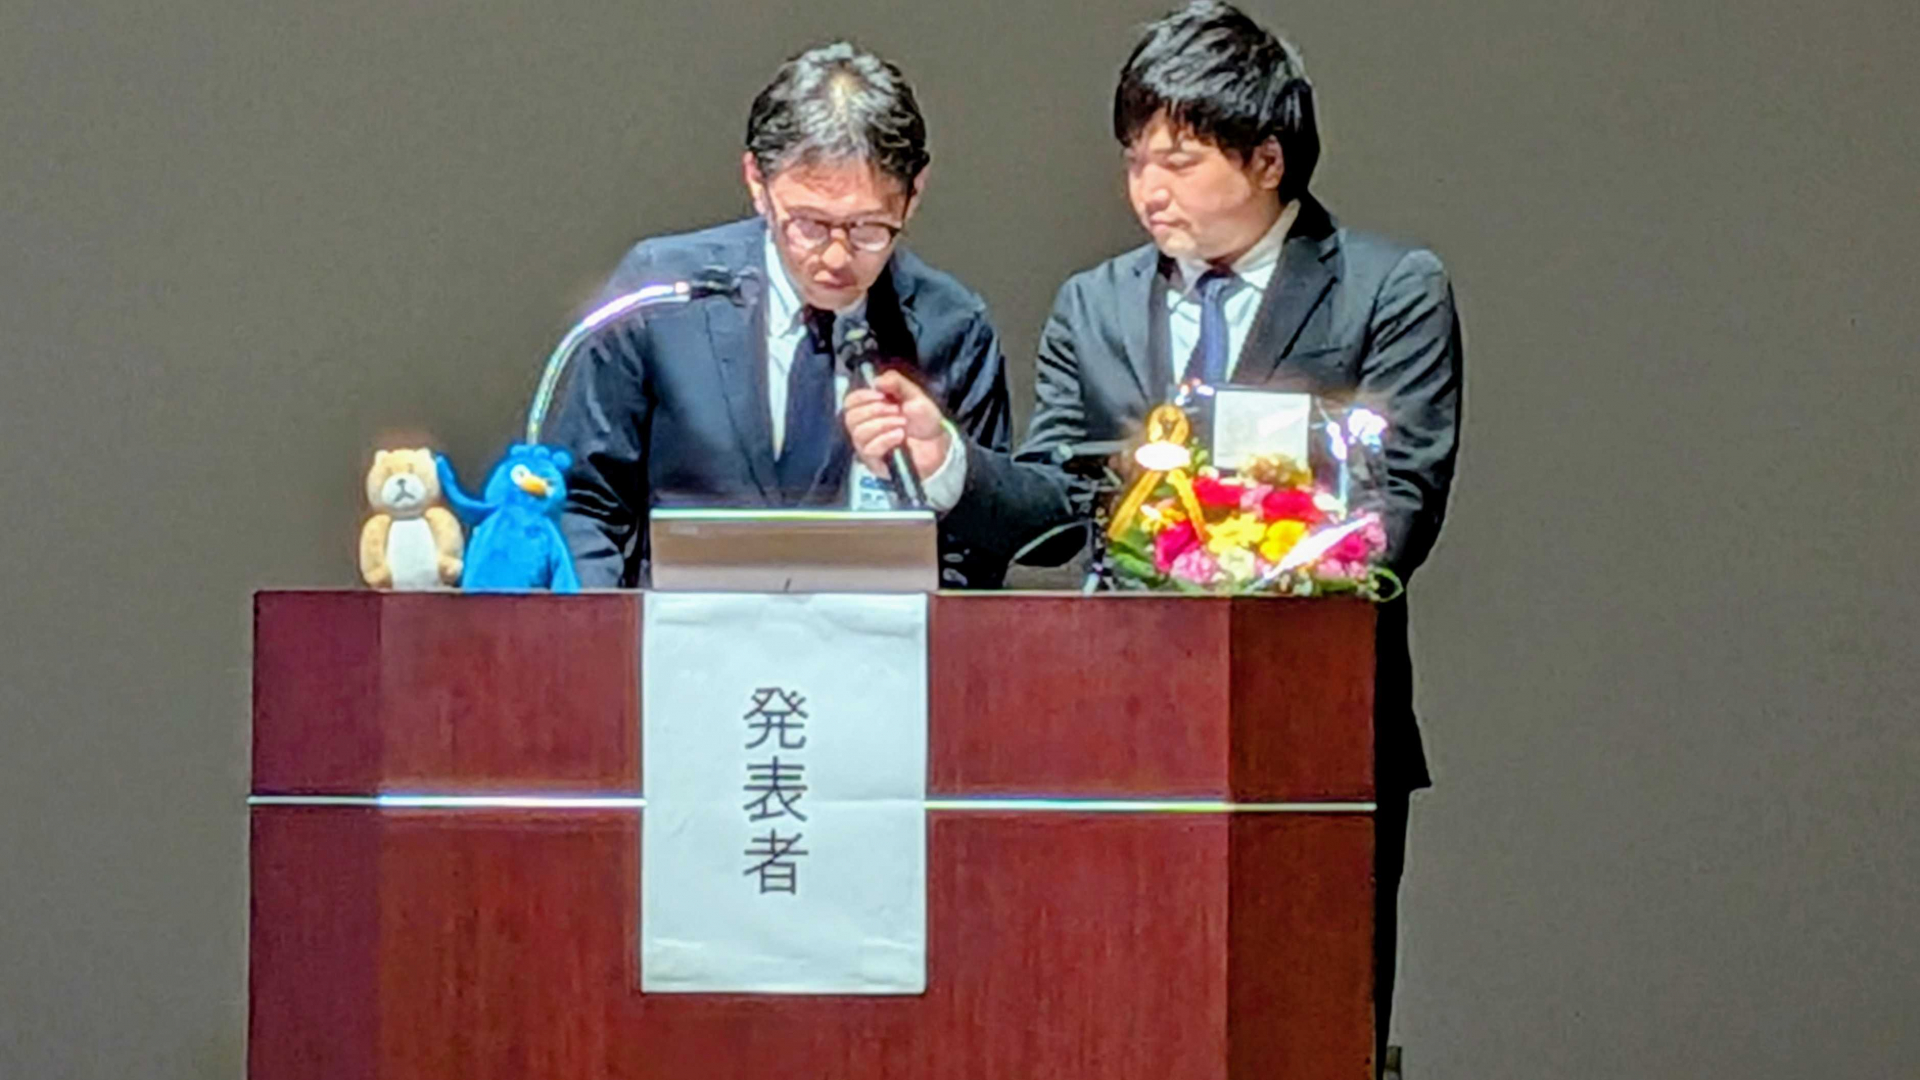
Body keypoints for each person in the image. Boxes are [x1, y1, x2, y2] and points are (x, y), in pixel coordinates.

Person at [842, 3, 1462, 1070]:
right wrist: (950, 465)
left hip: (1310, 729)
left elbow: (1396, 507)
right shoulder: (1096, 305)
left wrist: (1223, 541)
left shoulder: (1385, 290)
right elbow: (1056, 508)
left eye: (1178, 160)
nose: (1148, 190)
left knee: (1307, 1026)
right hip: (1117, 725)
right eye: (1135, 161)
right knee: (1118, 1017)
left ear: (1266, 159)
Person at [546, 41, 1012, 588]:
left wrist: (947, 471)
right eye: (809, 225)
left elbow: (979, 559)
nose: (836, 258)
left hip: (878, 635)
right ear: (757, 183)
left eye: (868, 229)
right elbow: (585, 504)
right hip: (684, 629)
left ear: (913, 195)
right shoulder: (661, 294)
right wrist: (607, 632)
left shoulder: (952, 328)